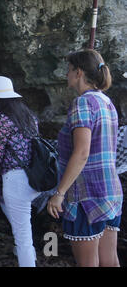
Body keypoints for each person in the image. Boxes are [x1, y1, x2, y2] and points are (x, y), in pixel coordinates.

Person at [47, 49, 123, 267]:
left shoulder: (82, 103)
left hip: (85, 194)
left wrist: (59, 193)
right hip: (110, 191)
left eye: (68, 70)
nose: (66, 74)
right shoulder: (107, 102)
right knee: (109, 261)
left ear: (78, 72)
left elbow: (81, 153)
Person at [0, 76, 40, 267]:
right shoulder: (28, 115)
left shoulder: (1, 119)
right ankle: (30, 257)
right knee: (21, 227)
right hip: (33, 177)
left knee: (23, 237)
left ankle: (28, 261)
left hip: (15, 180)